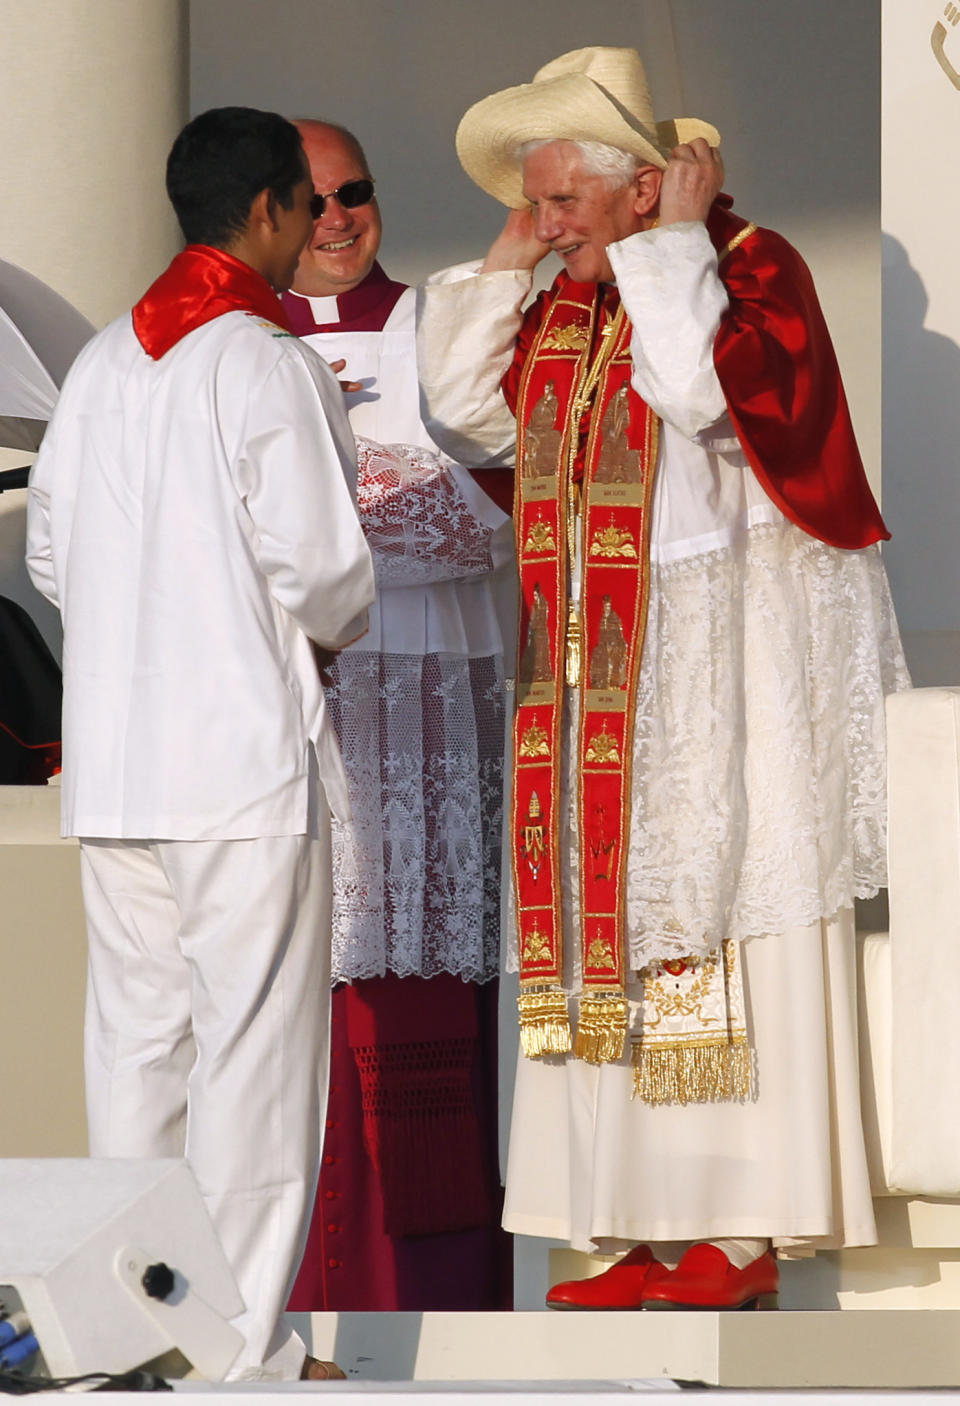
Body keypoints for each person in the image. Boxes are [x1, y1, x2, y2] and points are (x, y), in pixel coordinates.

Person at [416, 46, 910, 1310]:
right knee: (610, 935)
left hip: (719, 675)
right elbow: (464, 413)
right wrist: (508, 268)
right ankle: (631, 1218)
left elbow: (697, 391)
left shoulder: (743, 268)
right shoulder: (569, 300)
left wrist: (671, 247)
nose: (544, 221)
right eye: (534, 201)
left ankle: (734, 1225)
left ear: (642, 190)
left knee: (710, 924)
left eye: (560, 199)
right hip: (589, 674)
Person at [25, 107, 375, 1376]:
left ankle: (125, 1329)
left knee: (136, 1052)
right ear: (272, 208)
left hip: (116, 760)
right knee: (256, 1060)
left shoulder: (111, 358)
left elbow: (52, 551)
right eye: (305, 209)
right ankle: (232, 1349)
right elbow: (328, 573)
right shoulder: (259, 359)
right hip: (235, 759)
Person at [281, 121, 513, 1310]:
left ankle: (430, 1297)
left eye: (355, 193)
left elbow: (491, 495)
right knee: (293, 1005)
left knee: (420, 1002)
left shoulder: (444, 319)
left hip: (428, 701)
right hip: (301, 720)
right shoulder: (237, 344)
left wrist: (327, 518)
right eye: (312, 199)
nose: (337, 219)